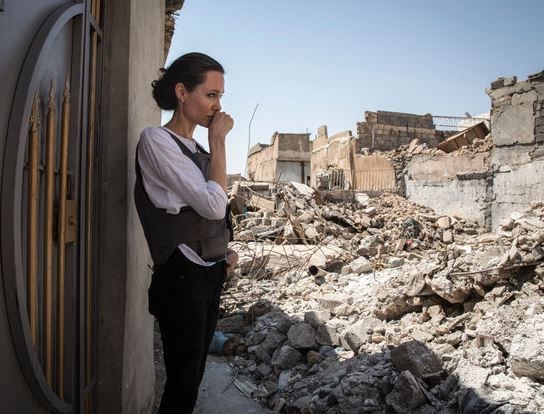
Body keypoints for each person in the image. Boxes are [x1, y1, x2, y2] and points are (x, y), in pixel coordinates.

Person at [134, 52, 238, 413]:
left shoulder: (197, 149)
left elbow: (212, 215)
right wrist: (220, 143)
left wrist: (224, 251)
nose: (218, 106)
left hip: (209, 274)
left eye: (220, 96)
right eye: (211, 95)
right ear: (182, 92)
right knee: (181, 385)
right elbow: (213, 205)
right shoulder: (157, 141)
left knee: (192, 380)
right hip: (182, 279)